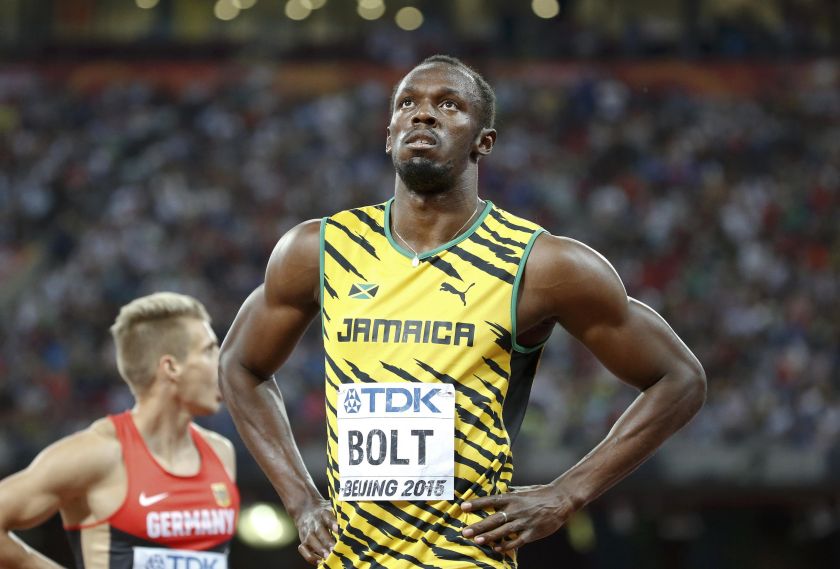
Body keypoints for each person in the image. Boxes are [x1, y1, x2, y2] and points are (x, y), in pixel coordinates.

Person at [219, 54, 706, 568]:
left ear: (483, 142)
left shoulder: (540, 264)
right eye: (407, 103)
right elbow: (239, 365)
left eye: (447, 105)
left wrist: (568, 494)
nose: (422, 115)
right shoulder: (319, 249)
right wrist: (301, 502)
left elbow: (679, 379)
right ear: (389, 136)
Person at [0, 292, 239, 568]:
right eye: (209, 350)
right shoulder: (100, 454)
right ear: (171, 366)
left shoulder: (221, 453)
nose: (222, 363)